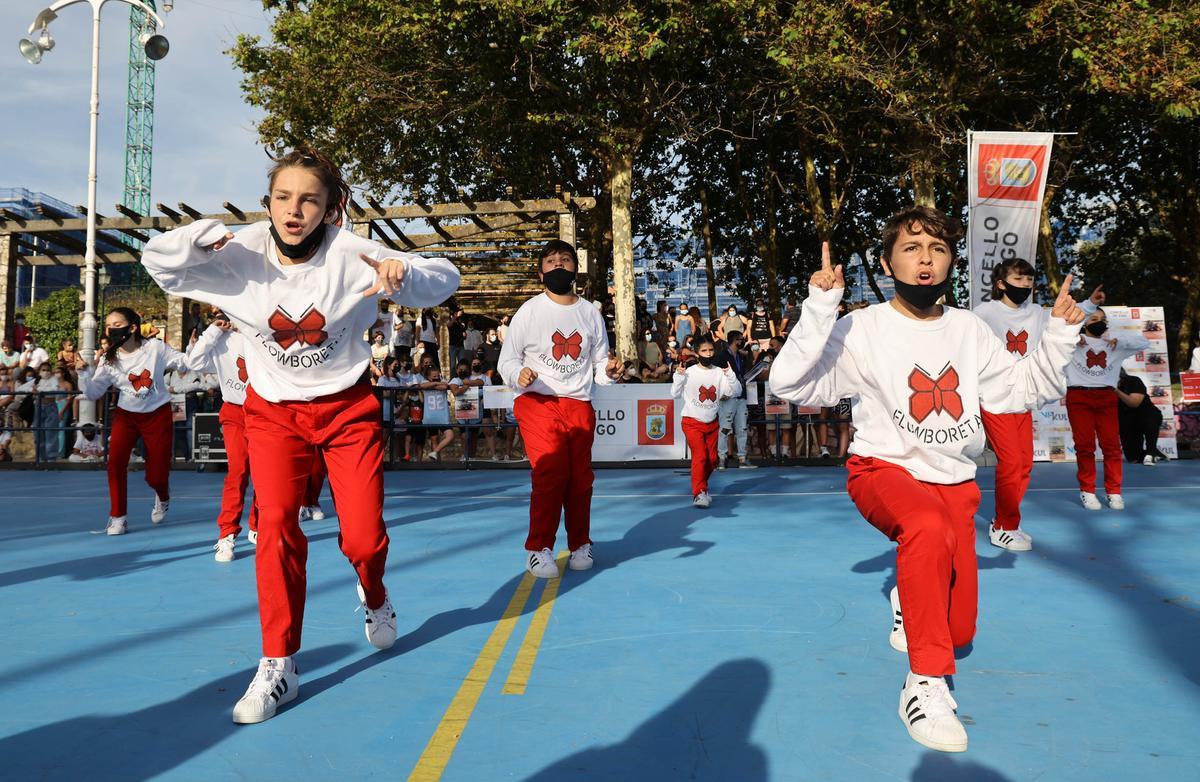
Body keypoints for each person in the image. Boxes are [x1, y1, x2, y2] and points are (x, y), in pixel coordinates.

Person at [140, 145, 460, 724]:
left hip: (346, 409)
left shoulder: (355, 254)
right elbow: (158, 263)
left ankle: (375, 594)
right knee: (275, 524)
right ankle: (278, 663)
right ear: (268, 204)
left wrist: (404, 272)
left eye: (309, 199)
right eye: (283, 198)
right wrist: (195, 238)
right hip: (272, 413)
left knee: (362, 538)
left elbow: (443, 280)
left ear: (331, 208)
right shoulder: (237, 255)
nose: (294, 210)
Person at [769, 208, 1085, 753]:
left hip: (955, 485)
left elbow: (1018, 390)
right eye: (912, 248)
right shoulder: (861, 328)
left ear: (950, 264)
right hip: (882, 469)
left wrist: (1059, 334)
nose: (925, 259)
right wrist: (820, 309)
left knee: (959, 631)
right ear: (888, 261)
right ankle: (923, 685)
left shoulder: (969, 329)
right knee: (925, 529)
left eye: (937, 249)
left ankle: (906, 593)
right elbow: (790, 382)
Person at [498, 239, 620, 579]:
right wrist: (518, 374)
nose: (558, 266)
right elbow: (506, 361)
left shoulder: (591, 312)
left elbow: (599, 363)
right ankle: (538, 549)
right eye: (550, 262)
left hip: (579, 403)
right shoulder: (529, 311)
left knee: (580, 479)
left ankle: (580, 543)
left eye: (564, 260)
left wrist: (608, 372)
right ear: (541, 273)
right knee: (550, 473)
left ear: (574, 269)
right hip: (537, 401)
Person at [971, 258, 1082, 551]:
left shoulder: (1037, 313)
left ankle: (1010, 522)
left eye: (1030, 281)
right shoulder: (983, 313)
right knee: (1010, 463)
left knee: (1024, 464)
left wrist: (1091, 306)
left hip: (1024, 395)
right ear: (1000, 283)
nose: (1025, 286)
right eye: (1018, 280)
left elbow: (1065, 323)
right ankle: (1002, 525)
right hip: (993, 396)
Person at [76, 307, 205, 534]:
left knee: (156, 474)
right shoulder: (109, 358)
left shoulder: (154, 348)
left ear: (133, 327)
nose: (111, 330)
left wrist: (193, 348)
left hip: (157, 413)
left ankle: (162, 495)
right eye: (109, 326)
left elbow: (184, 363)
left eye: (117, 326)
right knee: (115, 464)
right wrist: (83, 373)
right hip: (126, 415)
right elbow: (94, 392)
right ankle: (118, 517)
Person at [186, 316, 260, 562]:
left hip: (266, 413)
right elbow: (193, 361)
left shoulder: (264, 329)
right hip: (235, 412)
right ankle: (227, 534)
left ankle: (258, 525)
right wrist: (211, 332)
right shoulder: (221, 338)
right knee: (238, 470)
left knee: (264, 474)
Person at [1065, 302, 1151, 510]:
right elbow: (1051, 336)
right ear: (1084, 323)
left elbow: (1144, 342)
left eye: (1102, 320)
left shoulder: (1115, 344)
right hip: (1079, 397)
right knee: (1085, 446)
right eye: (1093, 320)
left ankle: (1114, 491)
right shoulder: (1072, 342)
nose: (1099, 323)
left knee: (1111, 447)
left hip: (1106, 397)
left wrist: (1117, 338)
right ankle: (1087, 491)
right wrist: (1074, 337)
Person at [672, 334, 740, 508]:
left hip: (712, 423)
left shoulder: (719, 372)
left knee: (711, 460)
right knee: (700, 456)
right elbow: (674, 393)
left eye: (710, 350)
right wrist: (678, 376)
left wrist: (730, 374)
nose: (708, 353)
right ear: (697, 352)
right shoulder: (688, 372)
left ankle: (701, 486)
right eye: (704, 350)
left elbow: (734, 391)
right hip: (691, 421)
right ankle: (699, 492)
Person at [715, 331, 754, 469]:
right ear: (734, 341)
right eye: (741, 339)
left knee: (742, 428)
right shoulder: (721, 356)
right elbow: (714, 375)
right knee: (725, 428)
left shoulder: (741, 356)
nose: (742, 341)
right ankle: (721, 458)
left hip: (741, 396)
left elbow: (744, 373)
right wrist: (720, 392)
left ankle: (742, 458)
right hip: (728, 397)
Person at [1116, 368, 1166, 464]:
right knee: (1133, 458)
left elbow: (1134, 403)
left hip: (1147, 414)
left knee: (1150, 422)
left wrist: (1116, 391)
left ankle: (1151, 451)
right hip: (1126, 419)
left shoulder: (1134, 381)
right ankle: (1154, 453)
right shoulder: (1103, 388)